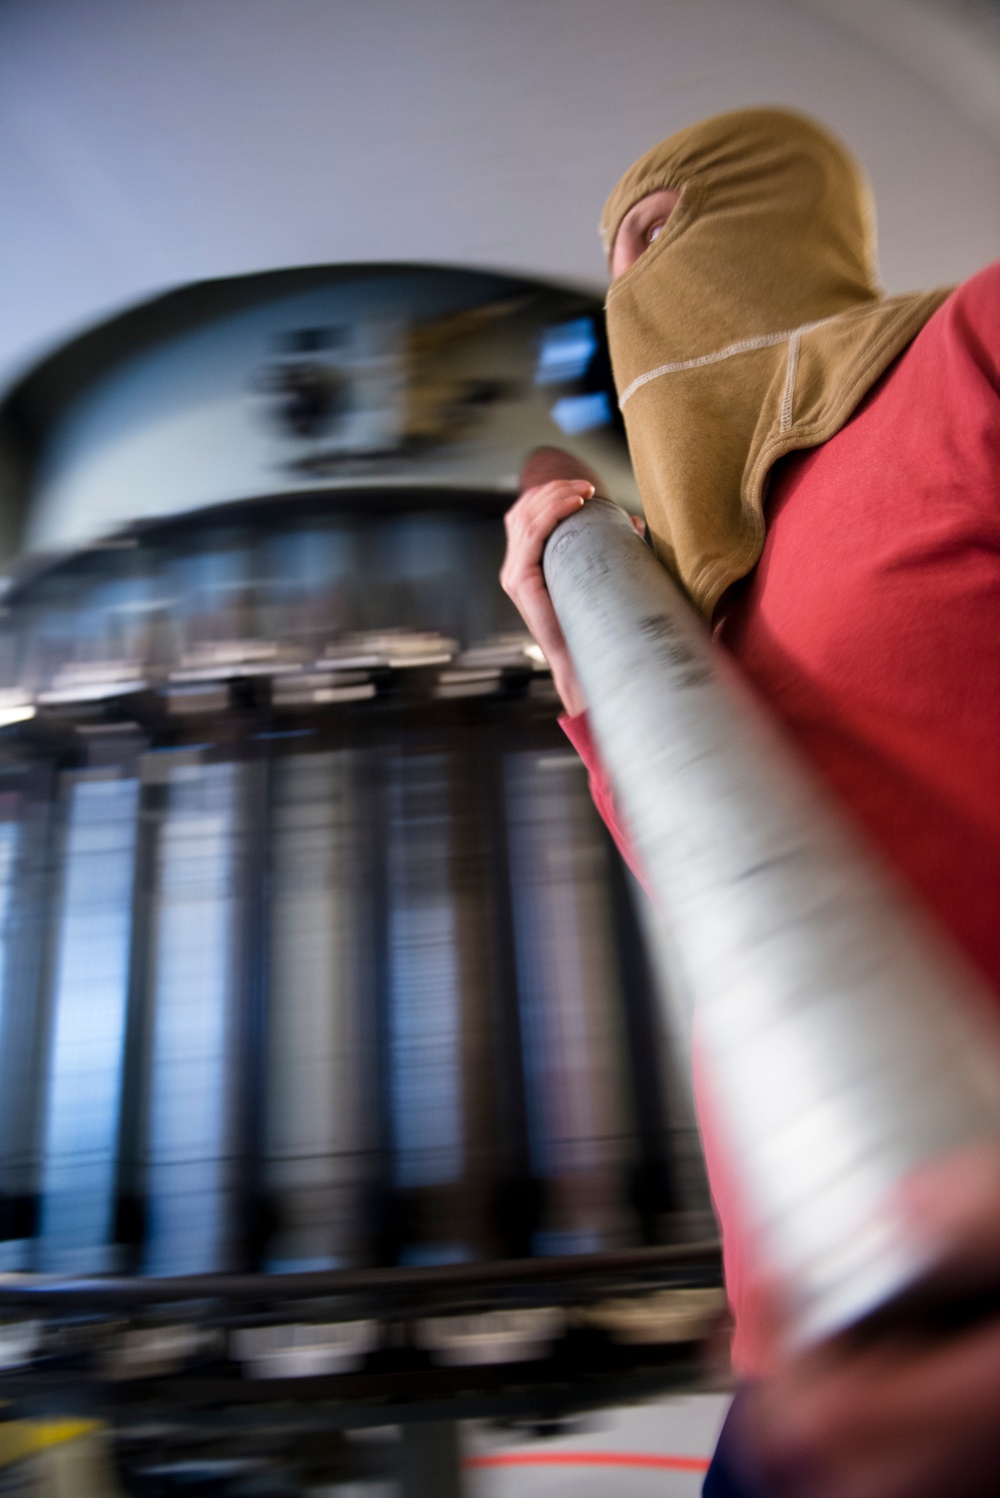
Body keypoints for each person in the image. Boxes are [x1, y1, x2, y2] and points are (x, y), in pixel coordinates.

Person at [500, 107, 1000, 1498]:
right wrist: (583, 664)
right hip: (809, 1382)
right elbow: (722, 895)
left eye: (658, 238)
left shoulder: (970, 364)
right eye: (615, 271)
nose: (633, 301)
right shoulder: (705, 613)